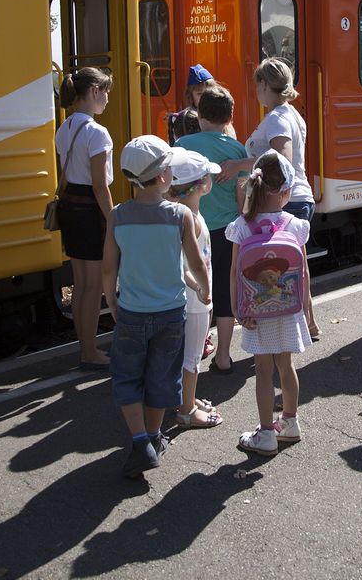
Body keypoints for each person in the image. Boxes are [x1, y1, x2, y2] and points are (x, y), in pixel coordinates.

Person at [102, 135, 209, 479]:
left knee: (128, 376)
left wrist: (111, 300)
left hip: (132, 312)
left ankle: (139, 440)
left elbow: (108, 268)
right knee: (162, 377)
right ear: (164, 177)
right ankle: (153, 435)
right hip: (170, 314)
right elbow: (196, 263)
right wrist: (205, 290)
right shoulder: (180, 216)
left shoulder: (118, 216)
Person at [219, 58, 321, 339]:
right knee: (300, 267)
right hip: (298, 197)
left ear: (264, 84)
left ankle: (283, 327)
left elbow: (281, 160)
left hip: (285, 200)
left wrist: (237, 165)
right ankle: (308, 324)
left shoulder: (277, 118)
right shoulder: (290, 113)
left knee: (276, 267)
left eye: (257, 85)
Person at [226, 151, 311, 456]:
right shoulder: (295, 225)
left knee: (263, 371)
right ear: (286, 192)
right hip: (289, 310)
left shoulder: (242, 226)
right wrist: (308, 312)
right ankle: (290, 423)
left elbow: (236, 271)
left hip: (256, 313)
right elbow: (303, 273)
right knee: (286, 366)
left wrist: (238, 309)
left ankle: (265, 434)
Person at [177, 86, 248, 372]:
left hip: (189, 229)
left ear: (199, 114)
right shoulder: (236, 149)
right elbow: (242, 196)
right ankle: (223, 355)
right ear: (230, 117)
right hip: (227, 231)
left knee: (193, 289)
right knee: (224, 291)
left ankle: (192, 350)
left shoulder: (182, 143)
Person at [55, 67, 115, 369]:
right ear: (94, 92)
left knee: (80, 282)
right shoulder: (96, 131)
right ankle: (90, 351)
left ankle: (84, 346)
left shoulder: (64, 128)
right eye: (105, 93)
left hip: (70, 207)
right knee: (93, 285)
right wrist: (113, 218)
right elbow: (99, 184)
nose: (106, 100)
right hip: (90, 209)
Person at [166, 150, 224, 429]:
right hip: (196, 299)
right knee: (193, 355)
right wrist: (202, 290)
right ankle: (187, 411)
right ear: (203, 185)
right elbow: (186, 266)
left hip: (179, 298)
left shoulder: (177, 214)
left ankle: (184, 398)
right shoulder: (193, 219)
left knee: (182, 353)